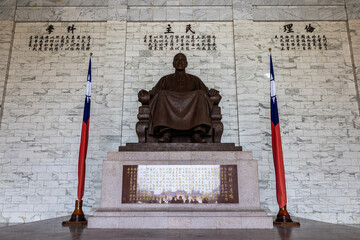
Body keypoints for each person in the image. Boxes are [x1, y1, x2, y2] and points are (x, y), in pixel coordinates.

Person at [138, 53, 221, 143]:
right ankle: (166, 133)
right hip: (168, 105)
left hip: (192, 106)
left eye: (182, 60)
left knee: (200, 94)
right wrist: (144, 94)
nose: (180, 62)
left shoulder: (195, 79)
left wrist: (213, 93)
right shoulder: (165, 79)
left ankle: (197, 133)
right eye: (177, 60)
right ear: (173, 64)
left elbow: (207, 94)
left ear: (186, 64)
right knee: (161, 94)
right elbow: (153, 94)